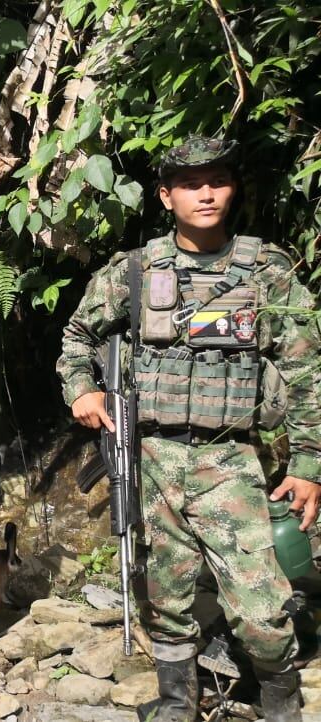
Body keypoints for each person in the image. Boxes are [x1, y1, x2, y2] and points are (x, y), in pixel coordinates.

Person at [57, 136, 321, 722]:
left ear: (233, 189)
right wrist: (82, 390)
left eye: (217, 181)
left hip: (231, 463)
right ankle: (177, 702)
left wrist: (307, 465)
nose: (205, 194)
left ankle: (282, 705)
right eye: (189, 184)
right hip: (150, 457)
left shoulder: (267, 272)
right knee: (165, 596)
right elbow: (76, 338)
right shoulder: (133, 270)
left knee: (262, 610)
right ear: (165, 195)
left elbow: (308, 372)